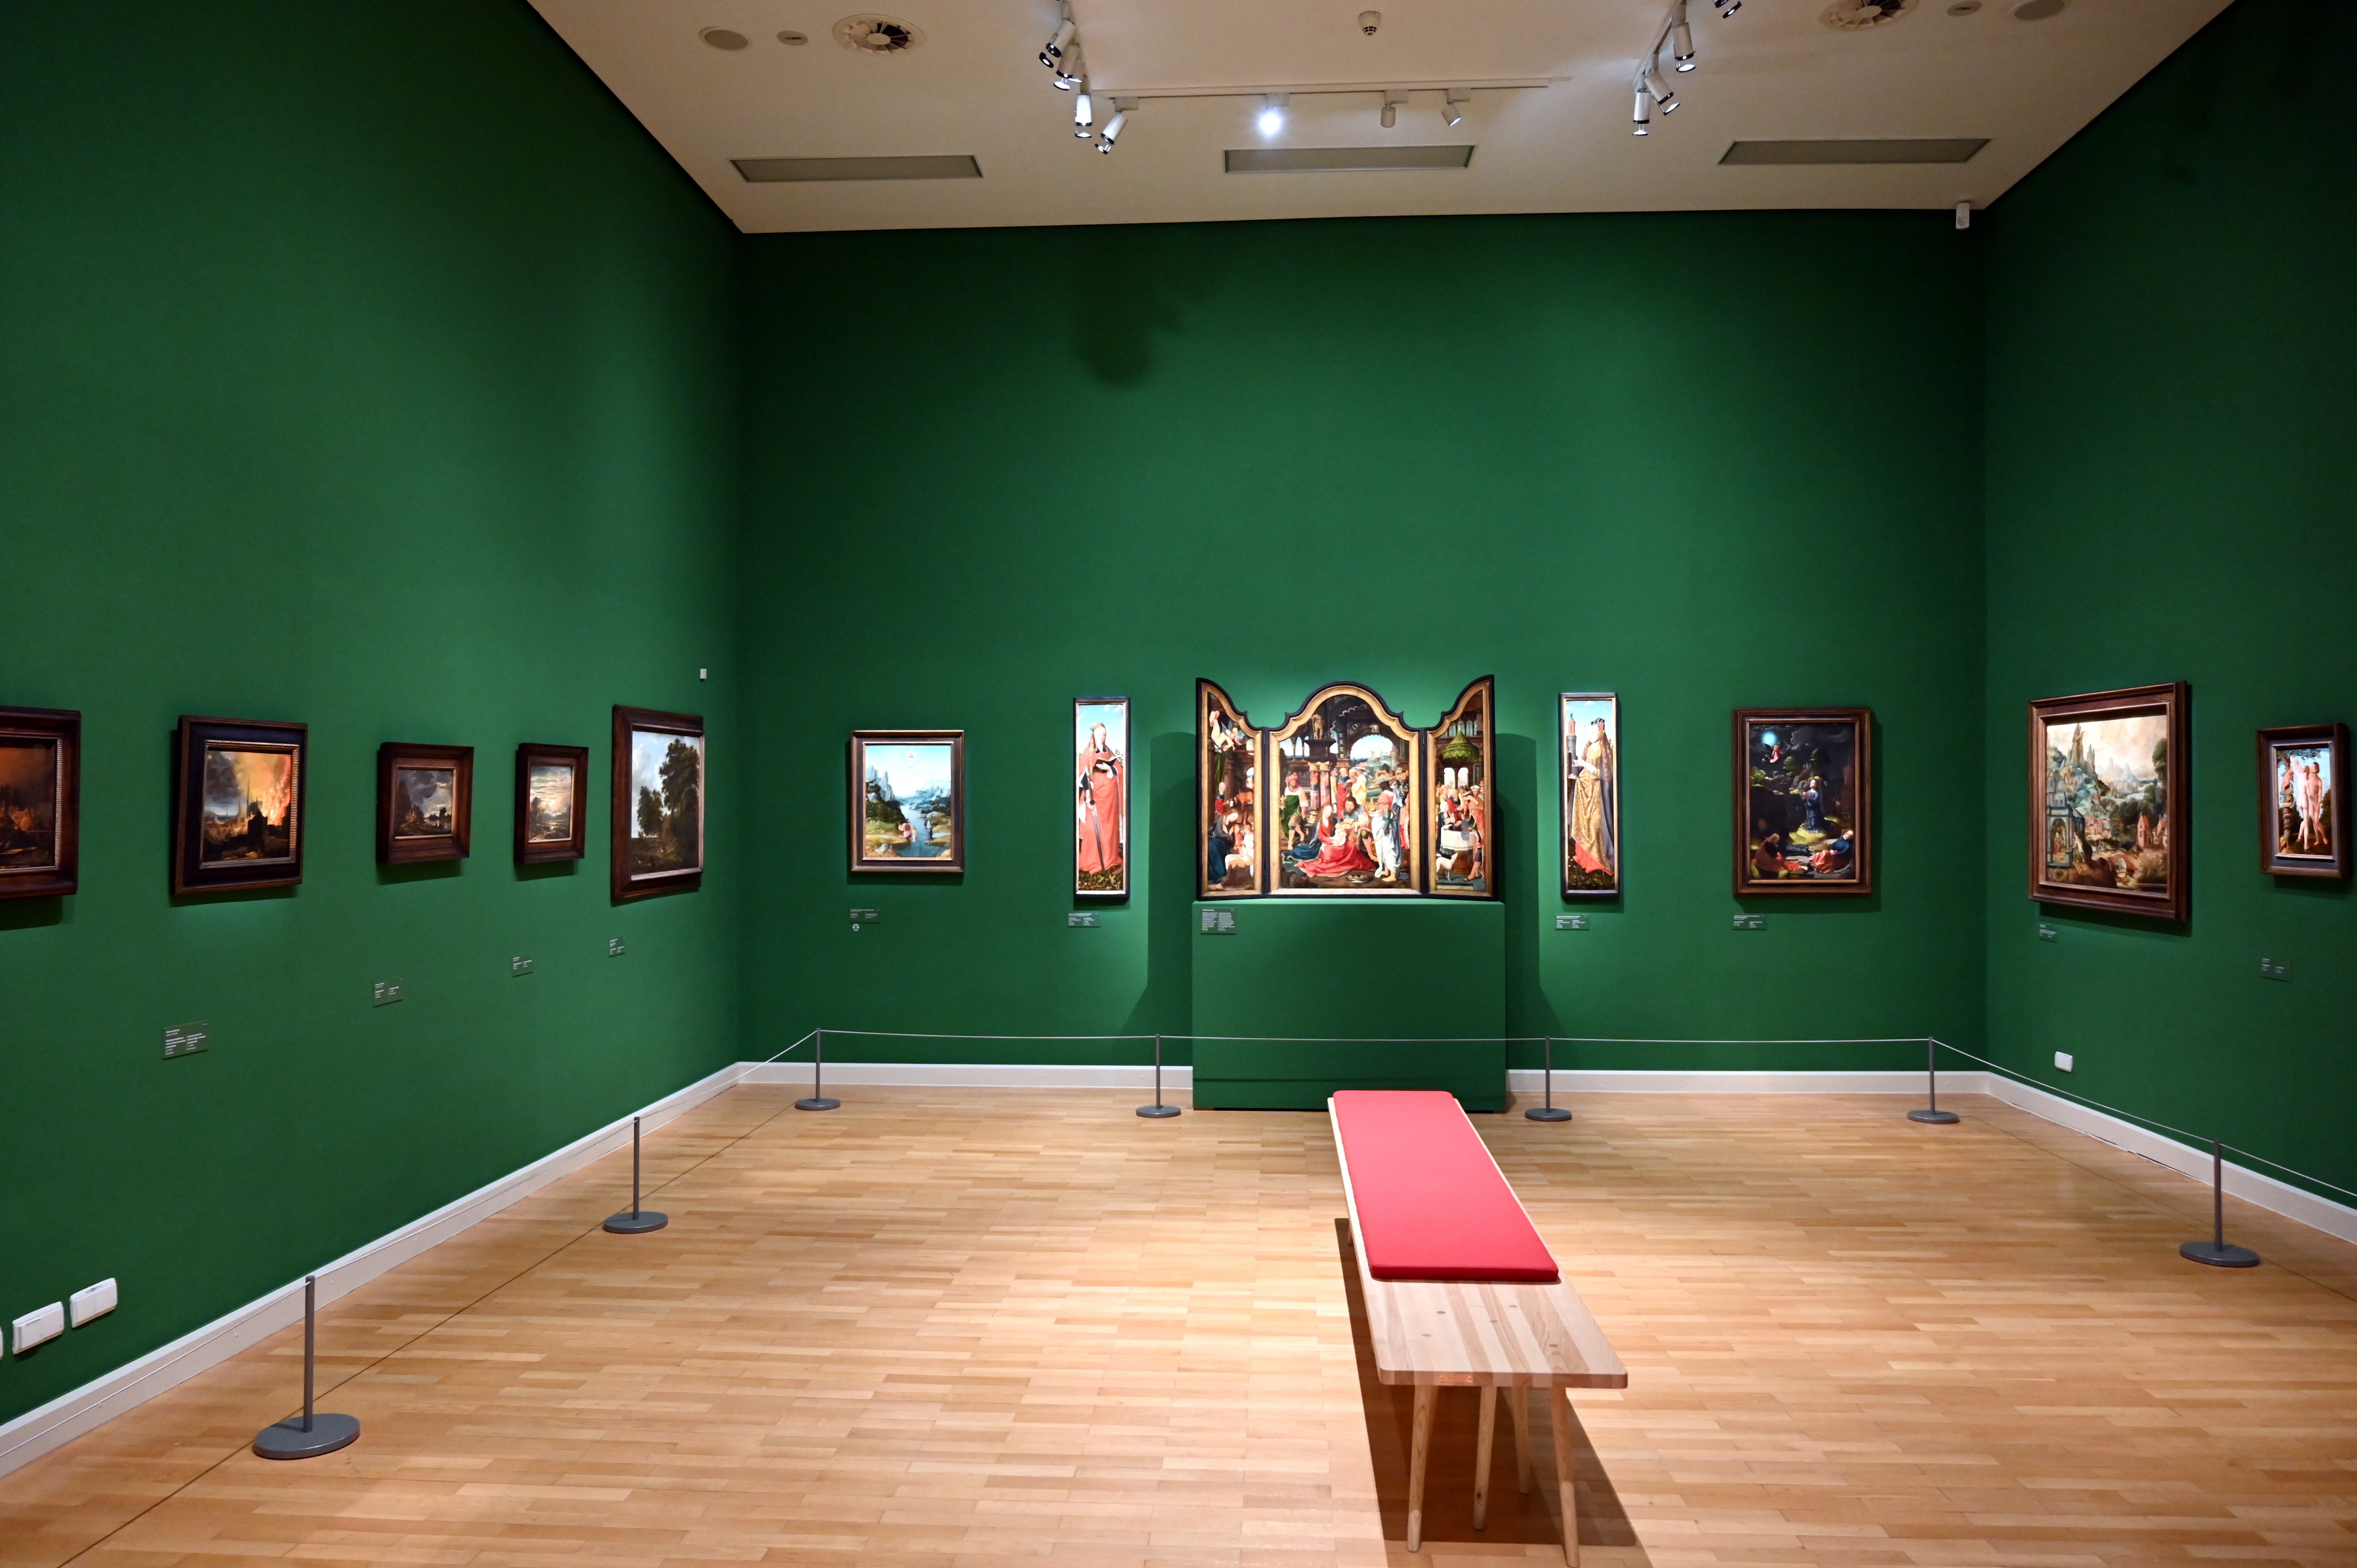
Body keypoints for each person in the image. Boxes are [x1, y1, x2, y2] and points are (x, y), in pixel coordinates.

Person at [1076, 722, 1123, 878]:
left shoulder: (1109, 753)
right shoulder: (1089, 753)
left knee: (1110, 828)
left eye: (1104, 734)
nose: (1102, 737)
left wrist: (1110, 768)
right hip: (1097, 796)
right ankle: (1094, 860)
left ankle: (1110, 858)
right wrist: (1089, 795)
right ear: (1094, 736)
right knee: (1094, 829)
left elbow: (1120, 771)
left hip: (1111, 798)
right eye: (1099, 734)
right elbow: (1083, 776)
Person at [1569, 716, 1615, 876]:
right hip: (1584, 789)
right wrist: (1581, 766)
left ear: (1601, 732)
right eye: (1589, 733)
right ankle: (1584, 858)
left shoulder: (1604, 749)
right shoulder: (1589, 747)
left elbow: (1602, 773)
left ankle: (1597, 862)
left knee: (1595, 825)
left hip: (1596, 792)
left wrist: (1586, 765)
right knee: (1584, 824)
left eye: (1593, 732)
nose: (1590, 735)